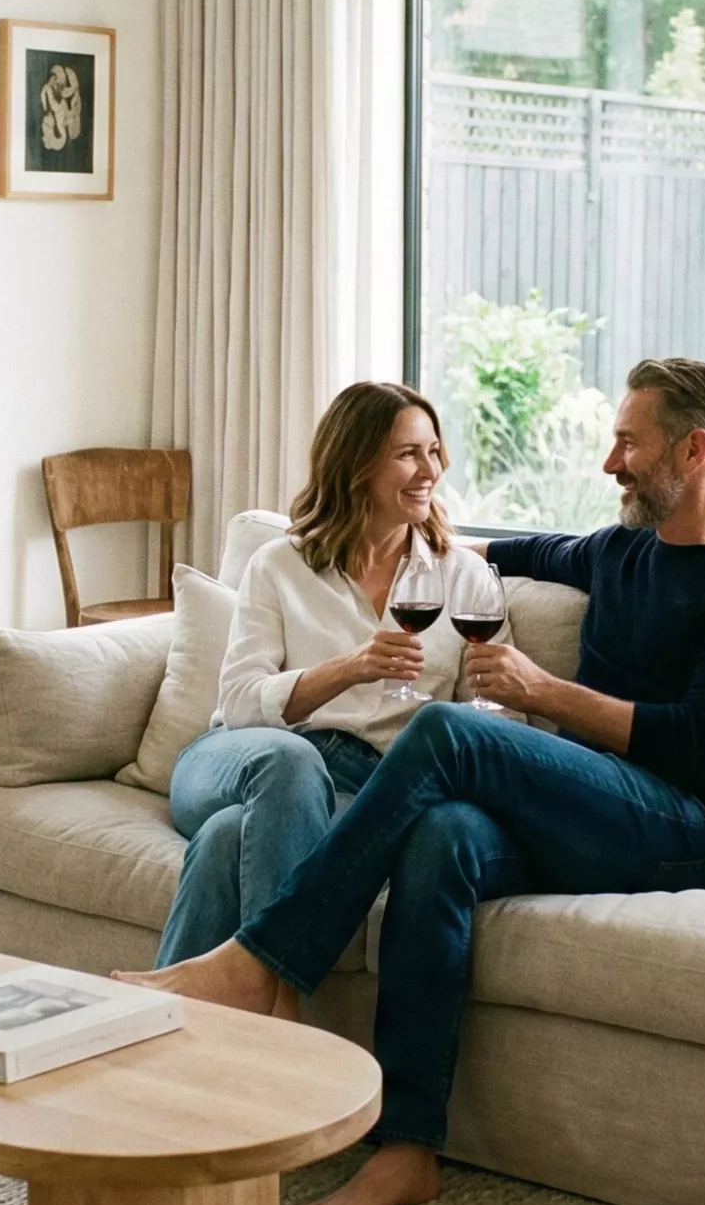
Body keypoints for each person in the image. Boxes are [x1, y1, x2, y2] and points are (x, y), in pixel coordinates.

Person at [121, 358, 705, 1205]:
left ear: (695, 447)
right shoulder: (620, 551)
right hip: (585, 813)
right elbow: (506, 553)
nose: (609, 462)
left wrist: (542, 693)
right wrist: (427, 549)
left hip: (686, 828)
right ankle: (409, 1144)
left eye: (627, 442)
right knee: (438, 835)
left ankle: (263, 960)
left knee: (445, 737)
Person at [144, 380, 507, 1004]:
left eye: (435, 451)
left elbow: (498, 718)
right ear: (358, 462)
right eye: (409, 454)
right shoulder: (281, 563)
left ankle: (158, 1045)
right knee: (291, 761)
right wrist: (348, 669)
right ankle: (279, 1003)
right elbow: (237, 701)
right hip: (240, 755)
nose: (431, 470)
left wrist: (481, 705)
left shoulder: (463, 577)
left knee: (229, 840)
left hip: (363, 786)